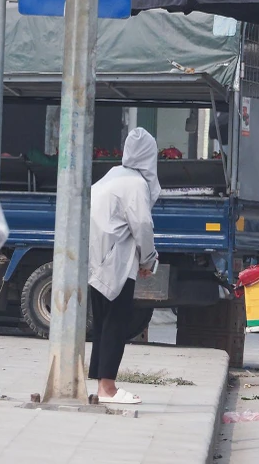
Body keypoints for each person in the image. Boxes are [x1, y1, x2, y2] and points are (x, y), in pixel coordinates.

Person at [87, 128, 160, 404]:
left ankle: (101, 385)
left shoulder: (112, 175)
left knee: (104, 324)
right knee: (116, 323)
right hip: (116, 261)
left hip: (97, 259)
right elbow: (142, 226)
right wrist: (148, 260)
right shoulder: (136, 184)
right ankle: (108, 388)